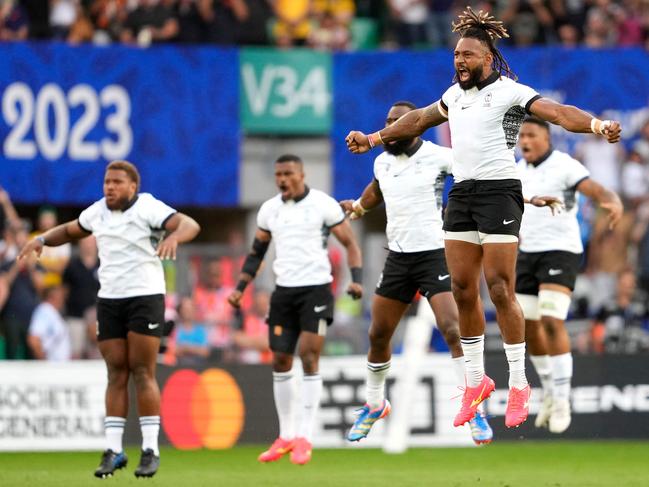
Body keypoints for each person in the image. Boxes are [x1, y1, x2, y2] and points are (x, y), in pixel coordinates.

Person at [345, 6, 622, 429]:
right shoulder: (453, 96)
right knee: (461, 288)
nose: (460, 61)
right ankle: (476, 381)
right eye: (457, 55)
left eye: (468, 56)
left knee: (499, 287)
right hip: (464, 193)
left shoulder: (510, 91)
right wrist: (375, 138)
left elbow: (558, 113)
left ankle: (518, 384)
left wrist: (599, 125)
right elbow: (418, 119)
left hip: (499, 193)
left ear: (487, 59)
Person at [18, 160, 200, 479]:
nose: (110, 188)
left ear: (133, 187)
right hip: (110, 300)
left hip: (145, 297)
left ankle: (150, 450)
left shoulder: (148, 206)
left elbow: (190, 225)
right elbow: (71, 229)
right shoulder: (98, 211)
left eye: (117, 182)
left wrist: (174, 238)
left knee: (143, 370)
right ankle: (114, 450)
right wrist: (43, 240)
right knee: (116, 371)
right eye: (106, 182)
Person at [340, 101, 492, 445]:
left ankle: (475, 408)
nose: (391, 127)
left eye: (397, 121)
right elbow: (377, 188)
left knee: (453, 328)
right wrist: (360, 206)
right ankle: (375, 404)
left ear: (415, 125)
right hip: (398, 258)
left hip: (436, 254)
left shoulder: (439, 155)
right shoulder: (382, 161)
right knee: (379, 333)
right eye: (387, 121)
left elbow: (475, 174)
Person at [228, 154, 363, 465]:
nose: (282, 179)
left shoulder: (323, 205)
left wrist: (355, 281)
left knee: (309, 355)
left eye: (288, 173)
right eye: (278, 174)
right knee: (280, 358)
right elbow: (256, 252)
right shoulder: (269, 210)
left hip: (316, 289)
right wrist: (240, 288)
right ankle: (285, 435)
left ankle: (305, 436)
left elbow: (351, 243)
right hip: (283, 292)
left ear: (302, 174)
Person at [515, 116, 623, 434]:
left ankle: (563, 398)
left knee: (551, 319)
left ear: (546, 139)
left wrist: (612, 201)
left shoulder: (565, 165)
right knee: (528, 327)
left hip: (561, 250)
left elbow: (595, 189)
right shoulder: (517, 172)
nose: (525, 141)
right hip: (527, 254)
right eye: (521, 135)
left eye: (531, 135)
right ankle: (549, 389)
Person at [27, 284, 71, 361]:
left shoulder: (53, 312)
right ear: (52, 296)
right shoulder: (44, 310)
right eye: (61, 296)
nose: (63, 299)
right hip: (51, 368)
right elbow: (33, 339)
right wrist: (43, 362)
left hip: (59, 367)